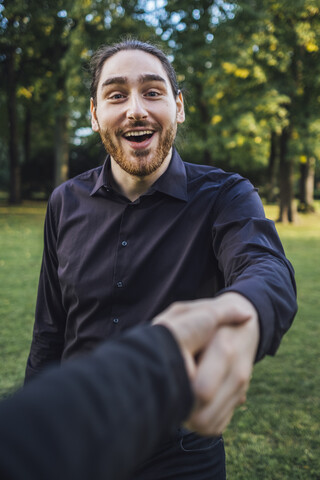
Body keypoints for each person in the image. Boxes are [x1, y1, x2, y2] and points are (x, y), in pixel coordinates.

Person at [25, 38, 297, 479]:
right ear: (95, 115)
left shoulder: (226, 195)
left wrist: (242, 313)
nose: (135, 109)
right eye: (116, 95)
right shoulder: (64, 202)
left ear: (179, 107)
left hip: (180, 451)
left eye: (152, 91)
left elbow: (266, 268)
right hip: (76, 439)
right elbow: (49, 332)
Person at [0, 299, 248, 480]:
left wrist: (252, 311)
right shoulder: (59, 224)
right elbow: (49, 328)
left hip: (180, 447)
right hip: (77, 447)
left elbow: (262, 262)